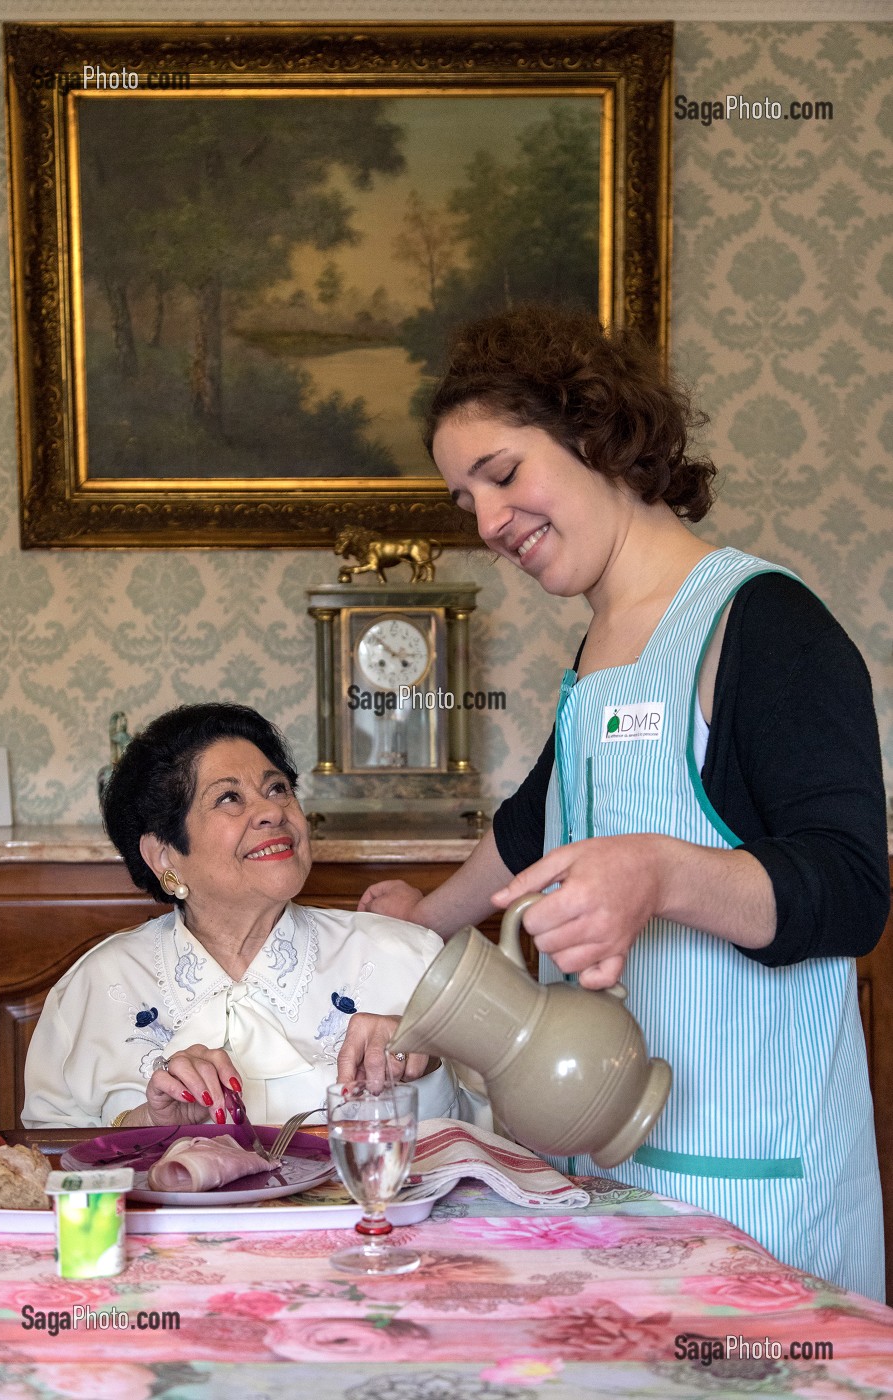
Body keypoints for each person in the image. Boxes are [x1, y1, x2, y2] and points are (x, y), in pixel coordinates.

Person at [358, 304, 890, 1300]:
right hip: (607, 1180)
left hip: (755, 1194)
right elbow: (538, 821)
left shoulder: (768, 625)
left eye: (503, 474)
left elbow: (853, 889)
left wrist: (662, 873)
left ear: (595, 433)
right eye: (463, 499)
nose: (485, 523)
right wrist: (419, 929)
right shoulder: (603, 647)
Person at [24, 703, 486, 1132]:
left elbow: (500, 1137)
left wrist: (430, 1064)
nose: (271, 811)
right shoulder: (94, 989)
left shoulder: (408, 957)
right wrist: (147, 1123)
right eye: (229, 798)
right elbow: (54, 1163)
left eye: (278, 788)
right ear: (164, 854)